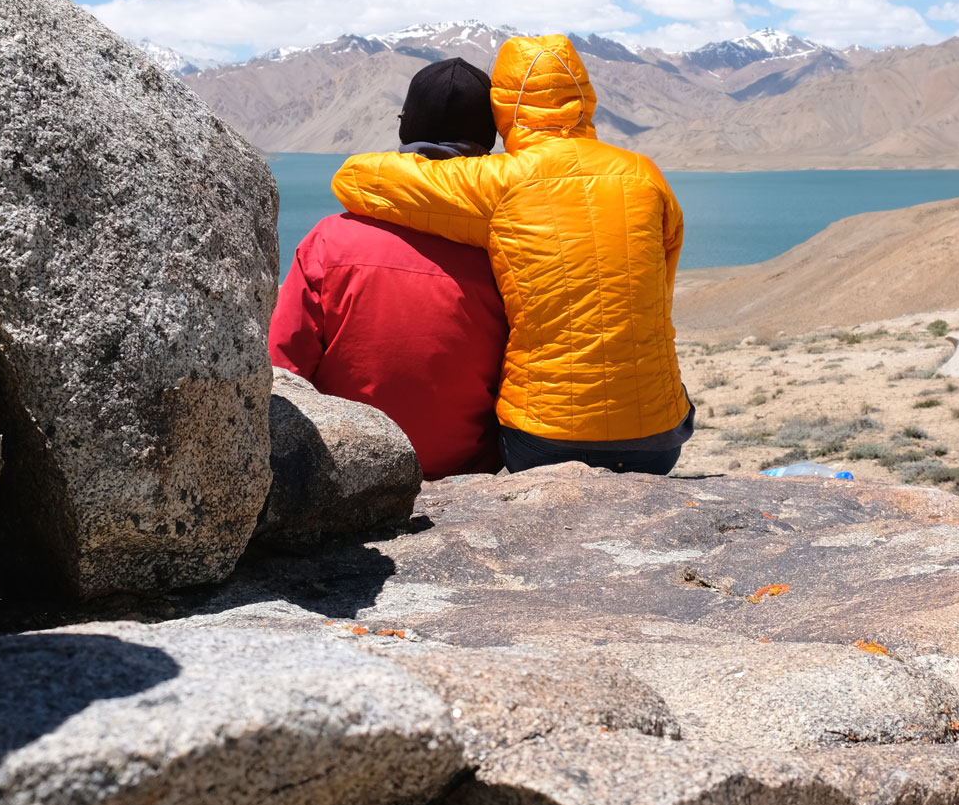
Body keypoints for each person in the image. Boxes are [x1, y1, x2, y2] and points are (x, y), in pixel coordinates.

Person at [331, 34, 692, 475]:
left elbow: (359, 179)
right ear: (584, 96)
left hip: (544, 443)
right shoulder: (644, 174)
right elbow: (661, 284)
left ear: (503, 107)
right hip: (659, 439)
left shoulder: (501, 181)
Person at [269, 57, 507, 479]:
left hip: (345, 472)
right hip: (466, 477)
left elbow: (283, 369)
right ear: (488, 139)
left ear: (405, 129)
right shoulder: (507, 247)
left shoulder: (330, 239)